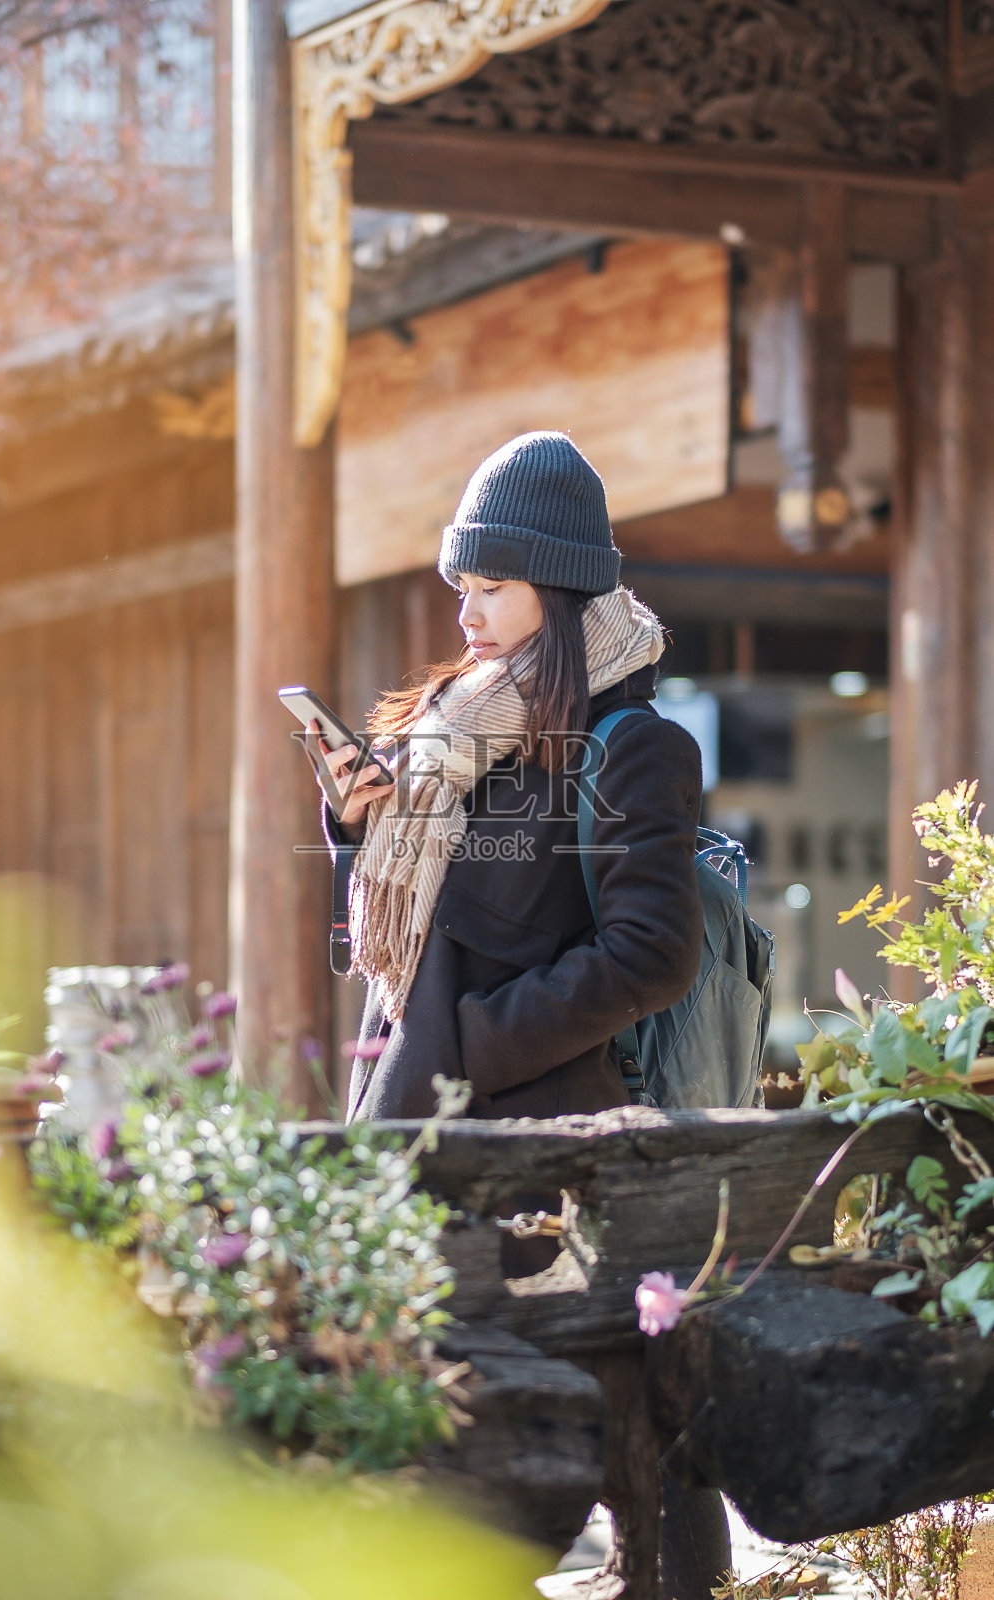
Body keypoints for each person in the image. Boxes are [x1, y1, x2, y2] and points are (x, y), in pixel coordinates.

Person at [309, 431, 730, 1598]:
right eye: (460, 588)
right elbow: (378, 957)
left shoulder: (630, 744)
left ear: (555, 579)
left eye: (489, 587)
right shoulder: (455, 738)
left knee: (588, 1426)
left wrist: (470, 1055)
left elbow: (649, 955)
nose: (467, 613)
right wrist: (355, 835)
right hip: (419, 1123)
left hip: (539, 1152)